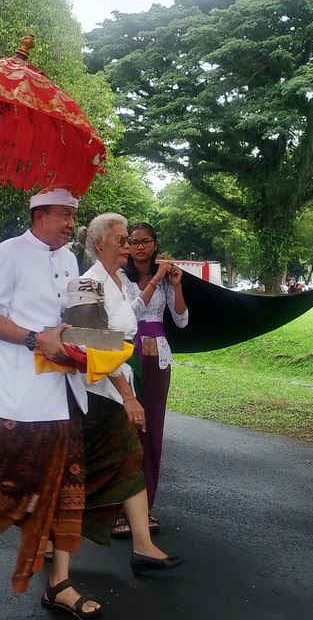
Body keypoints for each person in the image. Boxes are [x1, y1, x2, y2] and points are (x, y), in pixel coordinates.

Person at [0, 187, 101, 618]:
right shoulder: (7, 253)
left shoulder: (70, 260)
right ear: (40, 215)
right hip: (21, 393)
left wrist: (85, 335)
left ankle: (60, 582)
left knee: (69, 485)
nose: (72, 224)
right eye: (66, 216)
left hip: (66, 388)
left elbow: (72, 316)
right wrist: (37, 338)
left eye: (74, 216)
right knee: (15, 484)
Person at [79, 214, 181, 574]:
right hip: (97, 389)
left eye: (131, 241)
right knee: (84, 465)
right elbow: (88, 340)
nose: (129, 247)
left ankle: (142, 545)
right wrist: (127, 393)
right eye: (122, 240)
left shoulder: (118, 284)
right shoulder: (86, 283)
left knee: (130, 455)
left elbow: (126, 331)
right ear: (99, 243)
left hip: (121, 379)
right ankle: (47, 534)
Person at [122, 222, 187, 530]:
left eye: (145, 241)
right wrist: (156, 279)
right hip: (128, 358)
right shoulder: (121, 278)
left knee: (152, 431)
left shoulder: (167, 280)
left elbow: (182, 321)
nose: (139, 247)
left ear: (155, 244)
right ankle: (121, 507)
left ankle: (144, 506)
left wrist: (174, 285)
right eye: (133, 242)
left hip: (158, 357)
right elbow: (128, 315)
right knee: (127, 429)